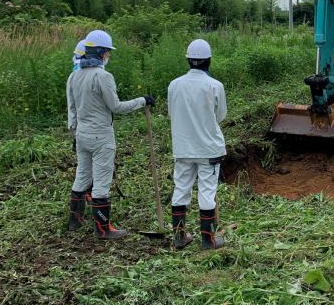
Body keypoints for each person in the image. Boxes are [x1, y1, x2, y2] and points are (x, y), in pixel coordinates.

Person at [66, 29, 154, 239]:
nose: (109, 56)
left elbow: (72, 109)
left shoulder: (74, 76)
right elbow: (116, 107)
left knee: (82, 177)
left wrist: (75, 134)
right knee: (101, 182)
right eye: (107, 52)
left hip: (82, 135)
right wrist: (142, 101)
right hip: (101, 136)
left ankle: (74, 221)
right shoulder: (103, 77)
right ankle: (103, 229)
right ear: (100, 52)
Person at [167, 38, 227, 250]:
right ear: (208, 60)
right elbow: (219, 116)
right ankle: (208, 240)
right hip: (208, 149)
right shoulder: (215, 86)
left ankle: (180, 237)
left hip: (183, 148)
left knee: (181, 189)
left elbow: (171, 113)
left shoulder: (174, 85)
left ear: (189, 60)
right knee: (207, 192)